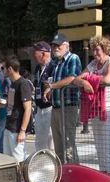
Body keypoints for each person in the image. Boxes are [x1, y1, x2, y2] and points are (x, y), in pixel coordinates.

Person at [75, 35, 110, 182]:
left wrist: (89, 79)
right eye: (93, 49)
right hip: (95, 108)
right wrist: (86, 81)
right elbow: (77, 79)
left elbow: (108, 79)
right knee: (99, 147)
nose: (95, 53)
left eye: (98, 49)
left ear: (105, 49)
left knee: (108, 146)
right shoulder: (93, 64)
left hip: (108, 108)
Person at [42, 33, 82, 164]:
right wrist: (48, 87)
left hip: (68, 106)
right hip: (56, 107)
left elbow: (72, 78)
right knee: (58, 147)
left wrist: (52, 86)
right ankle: (63, 176)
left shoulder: (73, 58)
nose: (55, 48)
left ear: (66, 46)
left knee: (68, 146)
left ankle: (75, 178)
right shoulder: (55, 63)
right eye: (54, 46)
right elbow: (49, 79)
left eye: (58, 45)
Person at [1, 55, 31, 162]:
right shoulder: (13, 84)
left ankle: (21, 178)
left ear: (10, 69)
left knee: (18, 160)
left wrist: (22, 131)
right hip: (9, 125)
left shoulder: (23, 84)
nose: (2, 71)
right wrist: (5, 104)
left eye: (3, 68)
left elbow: (28, 108)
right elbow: (13, 104)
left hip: (17, 127)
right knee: (8, 160)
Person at [33, 41, 55, 151]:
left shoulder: (53, 67)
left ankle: (52, 164)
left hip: (49, 107)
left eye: (35, 53)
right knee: (39, 139)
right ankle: (40, 161)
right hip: (40, 107)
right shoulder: (38, 68)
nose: (33, 55)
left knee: (50, 139)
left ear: (43, 53)